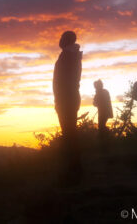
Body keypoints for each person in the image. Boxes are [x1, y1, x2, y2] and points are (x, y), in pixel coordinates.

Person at [53, 30, 83, 183]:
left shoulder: (69, 56)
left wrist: (60, 99)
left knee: (69, 134)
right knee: (70, 133)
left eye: (62, 37)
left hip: (67, 99)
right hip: (68, 98)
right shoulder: (70, 55)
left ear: (67, 40)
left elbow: (66, 81)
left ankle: (73, 171)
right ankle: (74, 169)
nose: (59, 39)